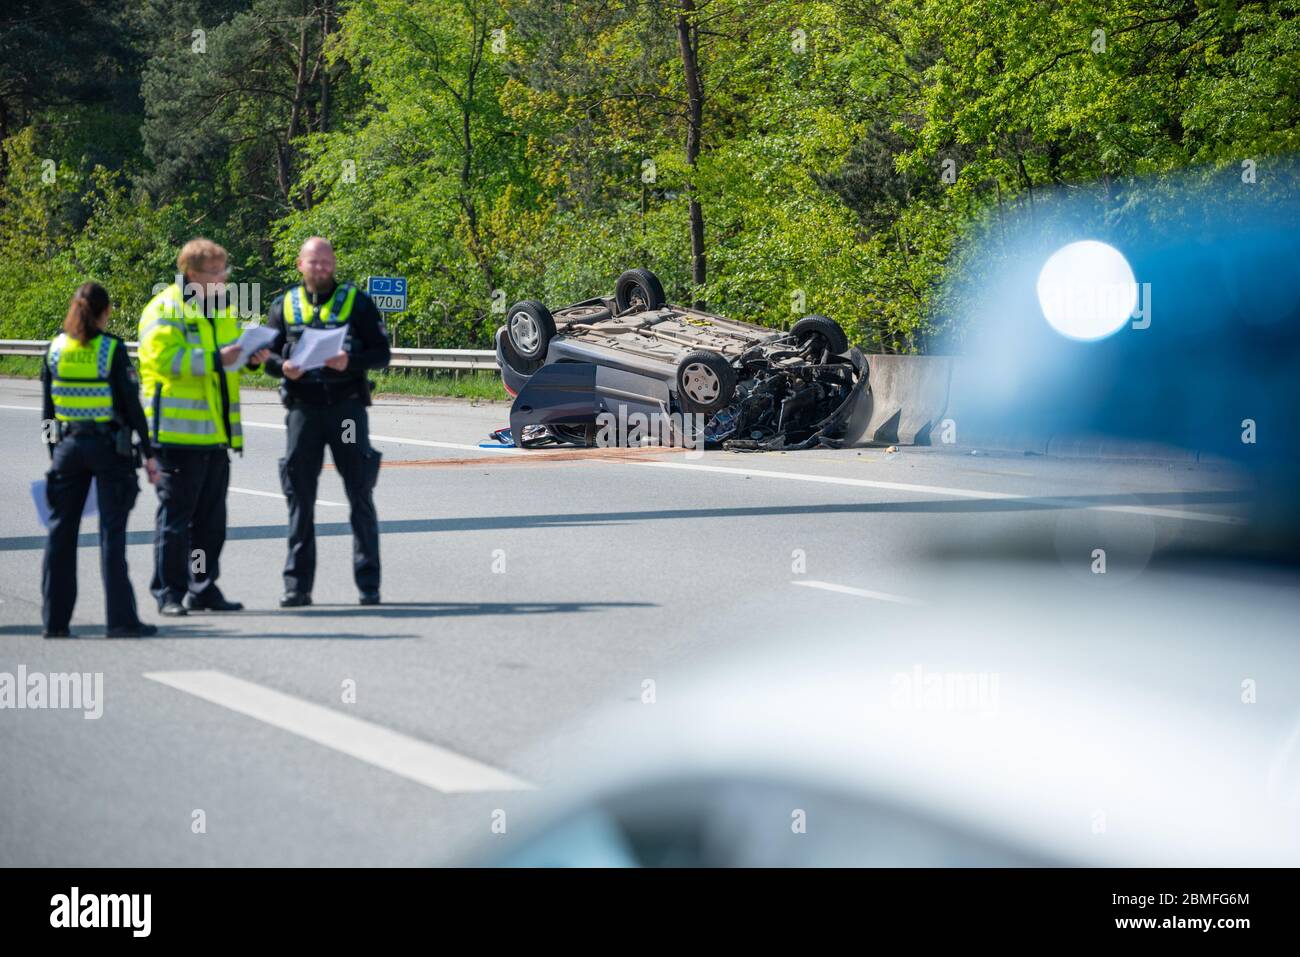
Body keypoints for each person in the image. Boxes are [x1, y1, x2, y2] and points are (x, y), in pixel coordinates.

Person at [138, 238, 269, 616]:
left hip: (214, 436)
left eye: (225, 271)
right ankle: (168, 593)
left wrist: (251, 359)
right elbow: (166, 361)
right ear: (192, 274)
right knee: (176, 522)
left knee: (210, 525)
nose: (224, 278)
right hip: (176, 435)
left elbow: (230, 359)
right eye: (216, 272)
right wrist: (217, 357)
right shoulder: (164, 309)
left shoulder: (222, 310)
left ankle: (201, 585)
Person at [262, 237, 390, 606]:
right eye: (313, 262)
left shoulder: (356, 302)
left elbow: (382, 354)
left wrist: (350, 362)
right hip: (302, 409)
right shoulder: (283, 304)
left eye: (326, 262)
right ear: (300, 265)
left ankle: (369, 585)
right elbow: (265, 355)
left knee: (359, 494)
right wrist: (281, 366)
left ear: (334, 263)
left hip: (346, 409)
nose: (320, 268)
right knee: (299, 499)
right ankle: (296, 587)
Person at [41, 283, 160, 638]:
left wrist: (55, 456)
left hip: (68, 448)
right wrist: (150, 453)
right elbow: (132, 406)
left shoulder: (56, 349)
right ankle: (121, 621)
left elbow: (47, 415)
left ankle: (55, 623)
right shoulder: (111, 350)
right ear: (105, 311)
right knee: (112, 536)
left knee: (60, 536)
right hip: (108, 449)